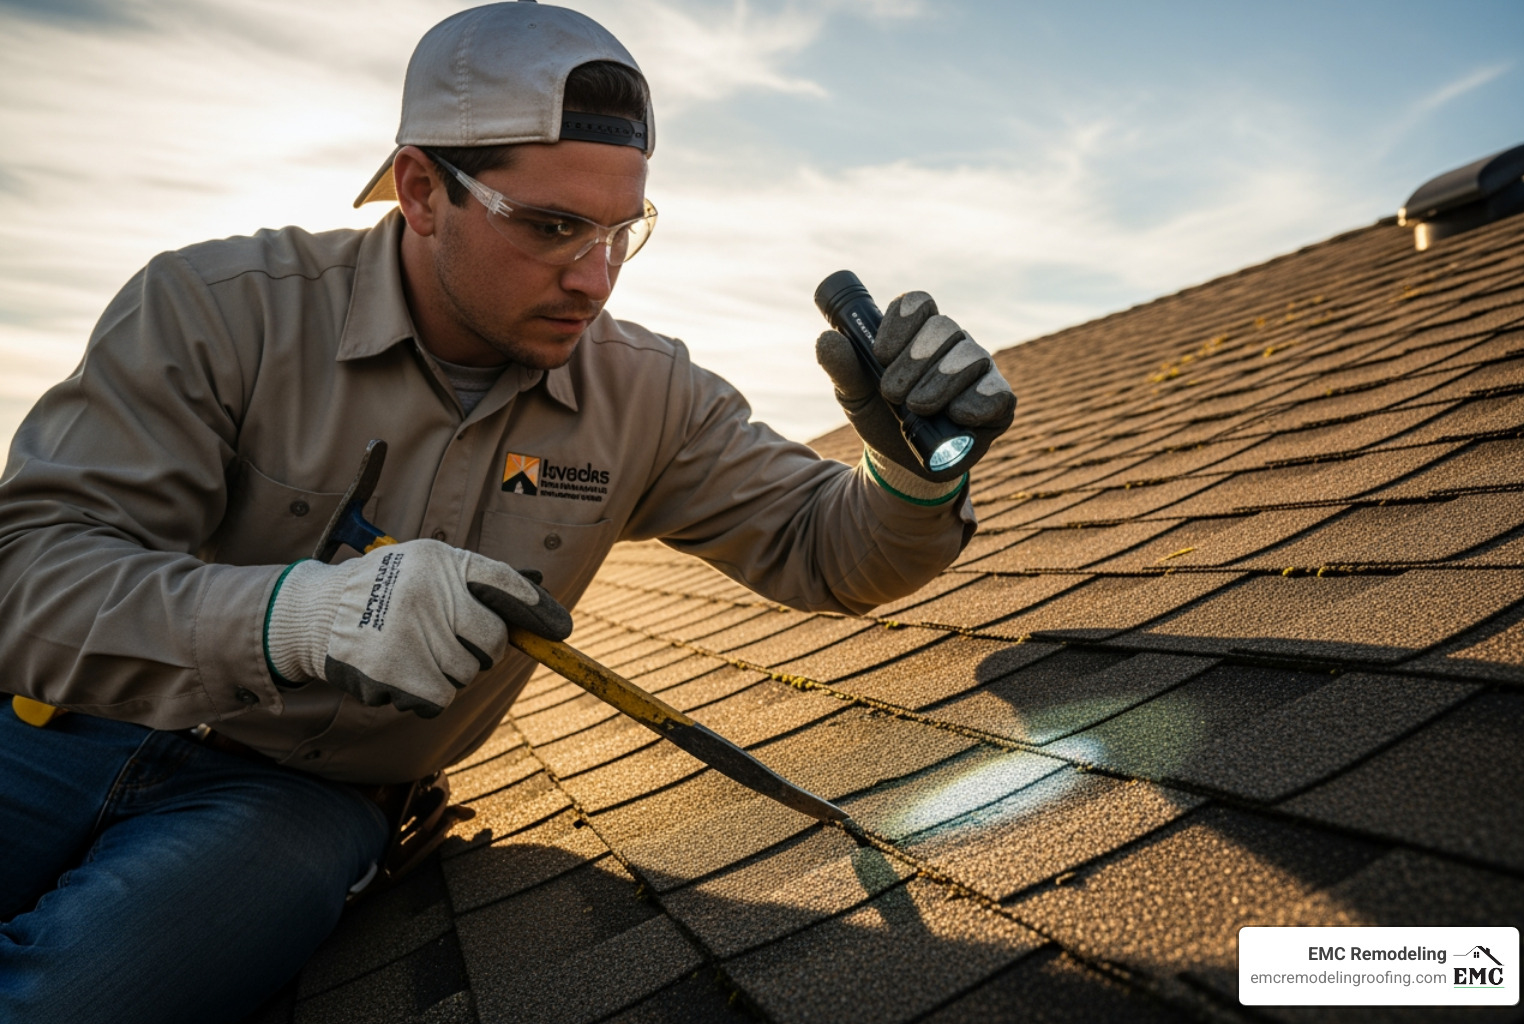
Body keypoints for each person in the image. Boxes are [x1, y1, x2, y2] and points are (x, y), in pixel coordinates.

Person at [0, 3, 1015, 1021]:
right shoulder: (215, 308)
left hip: (296, 801)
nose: (595, 277)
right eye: (552, 227)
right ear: (421, 189)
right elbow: (30, 579)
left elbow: (827, 550)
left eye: (624, 231)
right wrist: (296, 617)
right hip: (58, 730)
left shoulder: (647, 394)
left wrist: (910, 470)